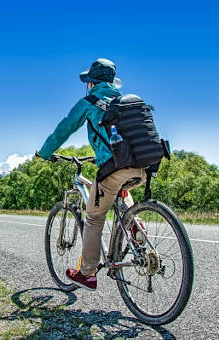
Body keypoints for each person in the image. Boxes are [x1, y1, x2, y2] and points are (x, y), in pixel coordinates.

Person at [36, 58, 146, 291]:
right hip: (141, 166)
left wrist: (45, 153)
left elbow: (63, 130)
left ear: (91, 83)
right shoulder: (124, 102)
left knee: (95, 217)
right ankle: (135, 225)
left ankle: (87, 274)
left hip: (114, 168)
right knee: (119, 189)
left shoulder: (90, 101)